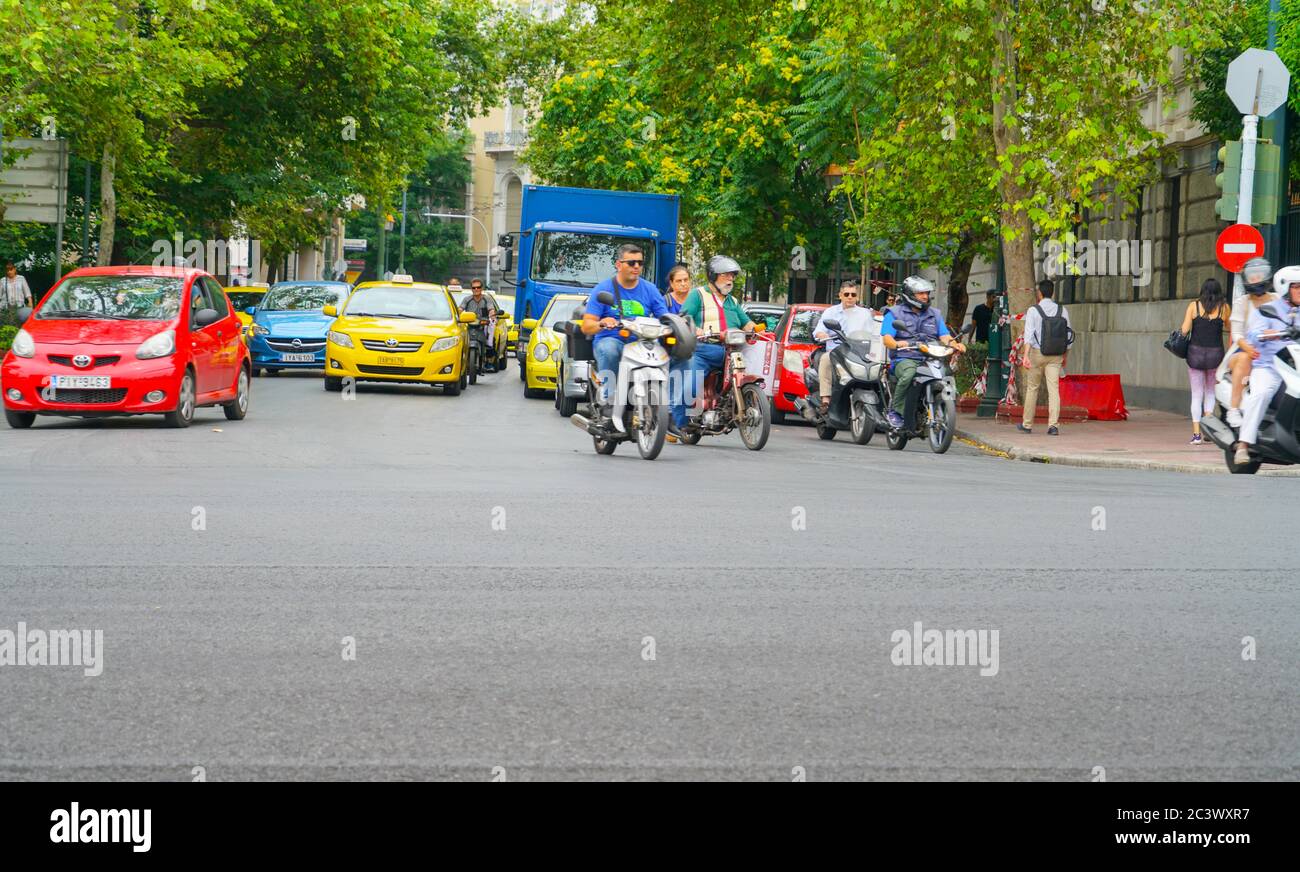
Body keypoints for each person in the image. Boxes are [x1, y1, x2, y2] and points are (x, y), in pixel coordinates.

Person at [580, 243, 668, 432]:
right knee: (609, 349)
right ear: (619, 264)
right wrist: (602, 323)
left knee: (666, 352)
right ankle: (608, 403)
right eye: (631, 263)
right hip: (612, 340)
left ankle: (665, 408)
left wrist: (678, 324)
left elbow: (665, 317)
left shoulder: (650, 289)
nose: (636, 267)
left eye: (640, 263)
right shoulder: (603, 289)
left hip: (641, 343)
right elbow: (587, 326)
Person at [671, 255, 759, 436]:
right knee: (690, 386)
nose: (731, 279)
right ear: (713, 276)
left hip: (732, 351)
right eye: (726, 275)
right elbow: (684, 320)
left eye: (732, 275)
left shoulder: (733, 301)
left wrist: (757, 329)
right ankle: (678, 423)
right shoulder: (697, 295)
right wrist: (699, 331)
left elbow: (746, 323)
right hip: (704, 350)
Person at [880, 275, 965, 428]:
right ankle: (895, 411)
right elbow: (887, 339)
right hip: (904, 358)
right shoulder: (894, 313)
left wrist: (955, 344)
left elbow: (944, 335)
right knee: (908, 374)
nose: (925, 296)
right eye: (921, 293)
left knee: (946, 374)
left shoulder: (935, 314)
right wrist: (897, 344)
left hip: (930, 358)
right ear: (909, 294)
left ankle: (944, 408)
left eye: (927, 293)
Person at [1235, 268, 1300, 466]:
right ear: (1285, 288)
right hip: (1271, 366)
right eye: (1297, 287)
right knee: (1261, 393)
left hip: (1295, 365)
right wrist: (1270, 334)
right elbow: (1253, 334)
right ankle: (1243, 445)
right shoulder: (1269, 309)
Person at [1015, 279, 1074, 436]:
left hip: (1037, 353)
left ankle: (1027, 424)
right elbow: (1069, 336)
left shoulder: (1033, 310)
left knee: (1032, 388)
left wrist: (1026, 355)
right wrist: (1065, 355)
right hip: (1056, 356)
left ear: (1039, 293)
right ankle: (1053, 426)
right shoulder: (1063, 310)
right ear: (1052, 292)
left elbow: (1028, 336)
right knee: (1053, 390)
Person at [1225, 257, 1275, 427]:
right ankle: (1234, 409)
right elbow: (1237, 333)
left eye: (1259, 275)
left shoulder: (1277, 299)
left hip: (1272, 351)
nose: (1256, 279)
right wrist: (1249, 348)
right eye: (1252, 276)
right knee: (1245, 359)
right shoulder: (1242, 303)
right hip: (1245, 351)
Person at [1180, 278, 1230, 445]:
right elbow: (1230, 328)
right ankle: (1208, 429)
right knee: (1210, 393)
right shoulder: (1224, 308)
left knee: (1196, 395)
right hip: (1215, 355)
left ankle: (1196, 435)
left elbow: (1185, 329)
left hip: (1195, 354)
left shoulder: (1194, 306)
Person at [812, 280, 875, 413]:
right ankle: (825, 400)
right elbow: (818, 331)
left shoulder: (865, 314)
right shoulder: (830, 312)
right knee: (825, 360)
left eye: (853, 294)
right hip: (837, 352)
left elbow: (873, 333)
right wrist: (822, 334)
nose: (850, 297)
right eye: (847, 294)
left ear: (857, 296)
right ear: (840, 295)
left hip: (859, 352)